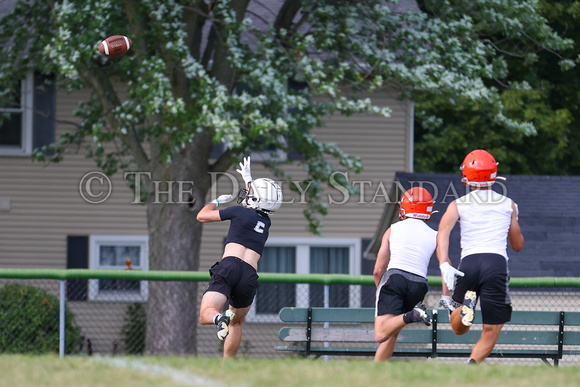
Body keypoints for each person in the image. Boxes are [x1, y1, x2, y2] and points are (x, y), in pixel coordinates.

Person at [436, 149, 524, 364]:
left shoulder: (457, 204)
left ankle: (467, 305)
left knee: (458, 327)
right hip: (496, 263)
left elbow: (443, 232)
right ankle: (471, 365)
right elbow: (517, 245)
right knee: (492, 329)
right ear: (494, 174)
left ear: (466, 177)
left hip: (469, 263)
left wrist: (444, 262)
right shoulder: (509, 204)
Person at [197, 157, 283, 358]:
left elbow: (202, 215)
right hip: (249, 274)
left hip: (230, 266)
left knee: (206, 313)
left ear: (256, 199)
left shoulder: (237, 212)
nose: (247, 195)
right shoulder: (266, 222)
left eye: (251, 193)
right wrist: (249, 179)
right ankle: (229, 365)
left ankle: (219, 319)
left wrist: (217, 201)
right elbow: (258, 203)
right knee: (235, 322)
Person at [374, 187, 453, 362]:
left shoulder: (393, 229)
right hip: (419, 284)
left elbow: (378, 270)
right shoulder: (435, 235)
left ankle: (412, 315)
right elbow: (446, 267)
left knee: (381, 333)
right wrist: (446, 297)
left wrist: (382, 291)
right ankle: (375, 373)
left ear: (404, 207)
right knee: (391, 333)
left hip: (394, 278)